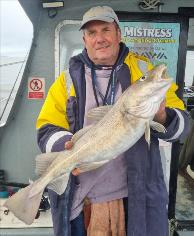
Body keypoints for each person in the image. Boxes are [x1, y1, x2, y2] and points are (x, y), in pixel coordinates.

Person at [36, 5, 190, 236]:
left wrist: (162, 116)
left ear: (118, 34)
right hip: (82, 197)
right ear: (84, 39)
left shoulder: (144, 72)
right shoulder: (65, 80)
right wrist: (66, 145)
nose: (100, 38)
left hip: (136, 195)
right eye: (92, 33)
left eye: (106, 30)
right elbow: (46, 128)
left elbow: (183, 127)